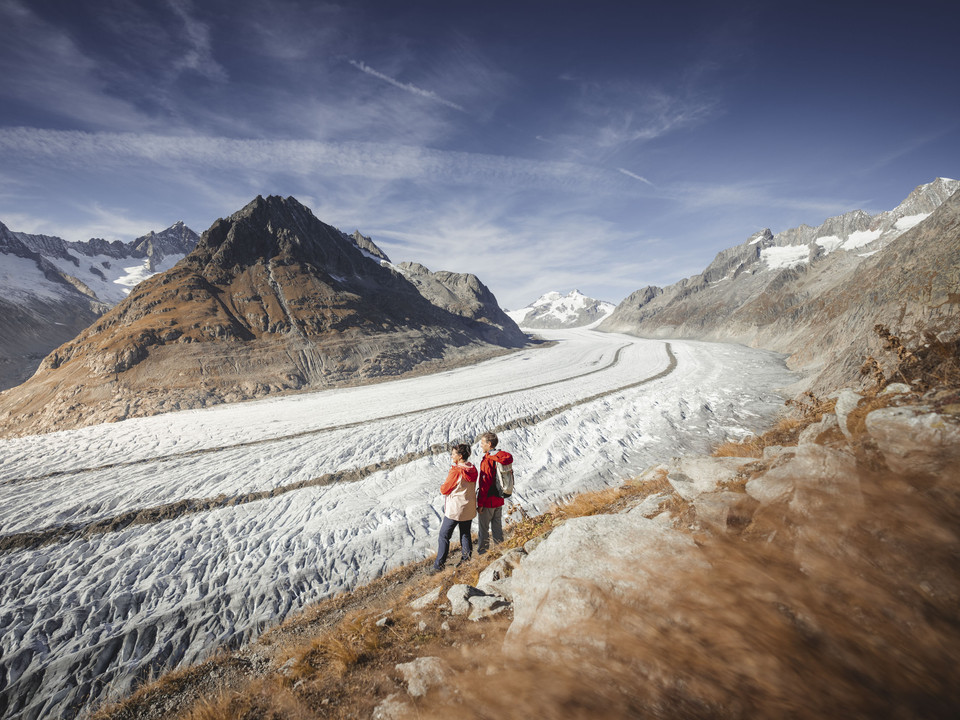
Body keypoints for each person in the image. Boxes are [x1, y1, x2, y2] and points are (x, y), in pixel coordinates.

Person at [431, 443, 478, 573]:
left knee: (444, 536)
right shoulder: (473, 469)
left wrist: (443, 486)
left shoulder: (456, 471)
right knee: (465, 533)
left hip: (455, 509)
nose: (451, 456)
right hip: (468, 507)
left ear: (460, 456)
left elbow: (445, 489)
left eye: (453, 454)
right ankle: (466, 560)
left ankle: (438, 565)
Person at [476, 431, 513, 554]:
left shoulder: (488, 460)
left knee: (483, 530)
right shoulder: (501, 457)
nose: (480, 445)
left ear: (489, 444)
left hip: (488, 501)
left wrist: (480, 503)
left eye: (482, 443)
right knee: (497, 528)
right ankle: (500, 551)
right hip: (499, 499)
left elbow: (484, 483)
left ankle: (483, 554)